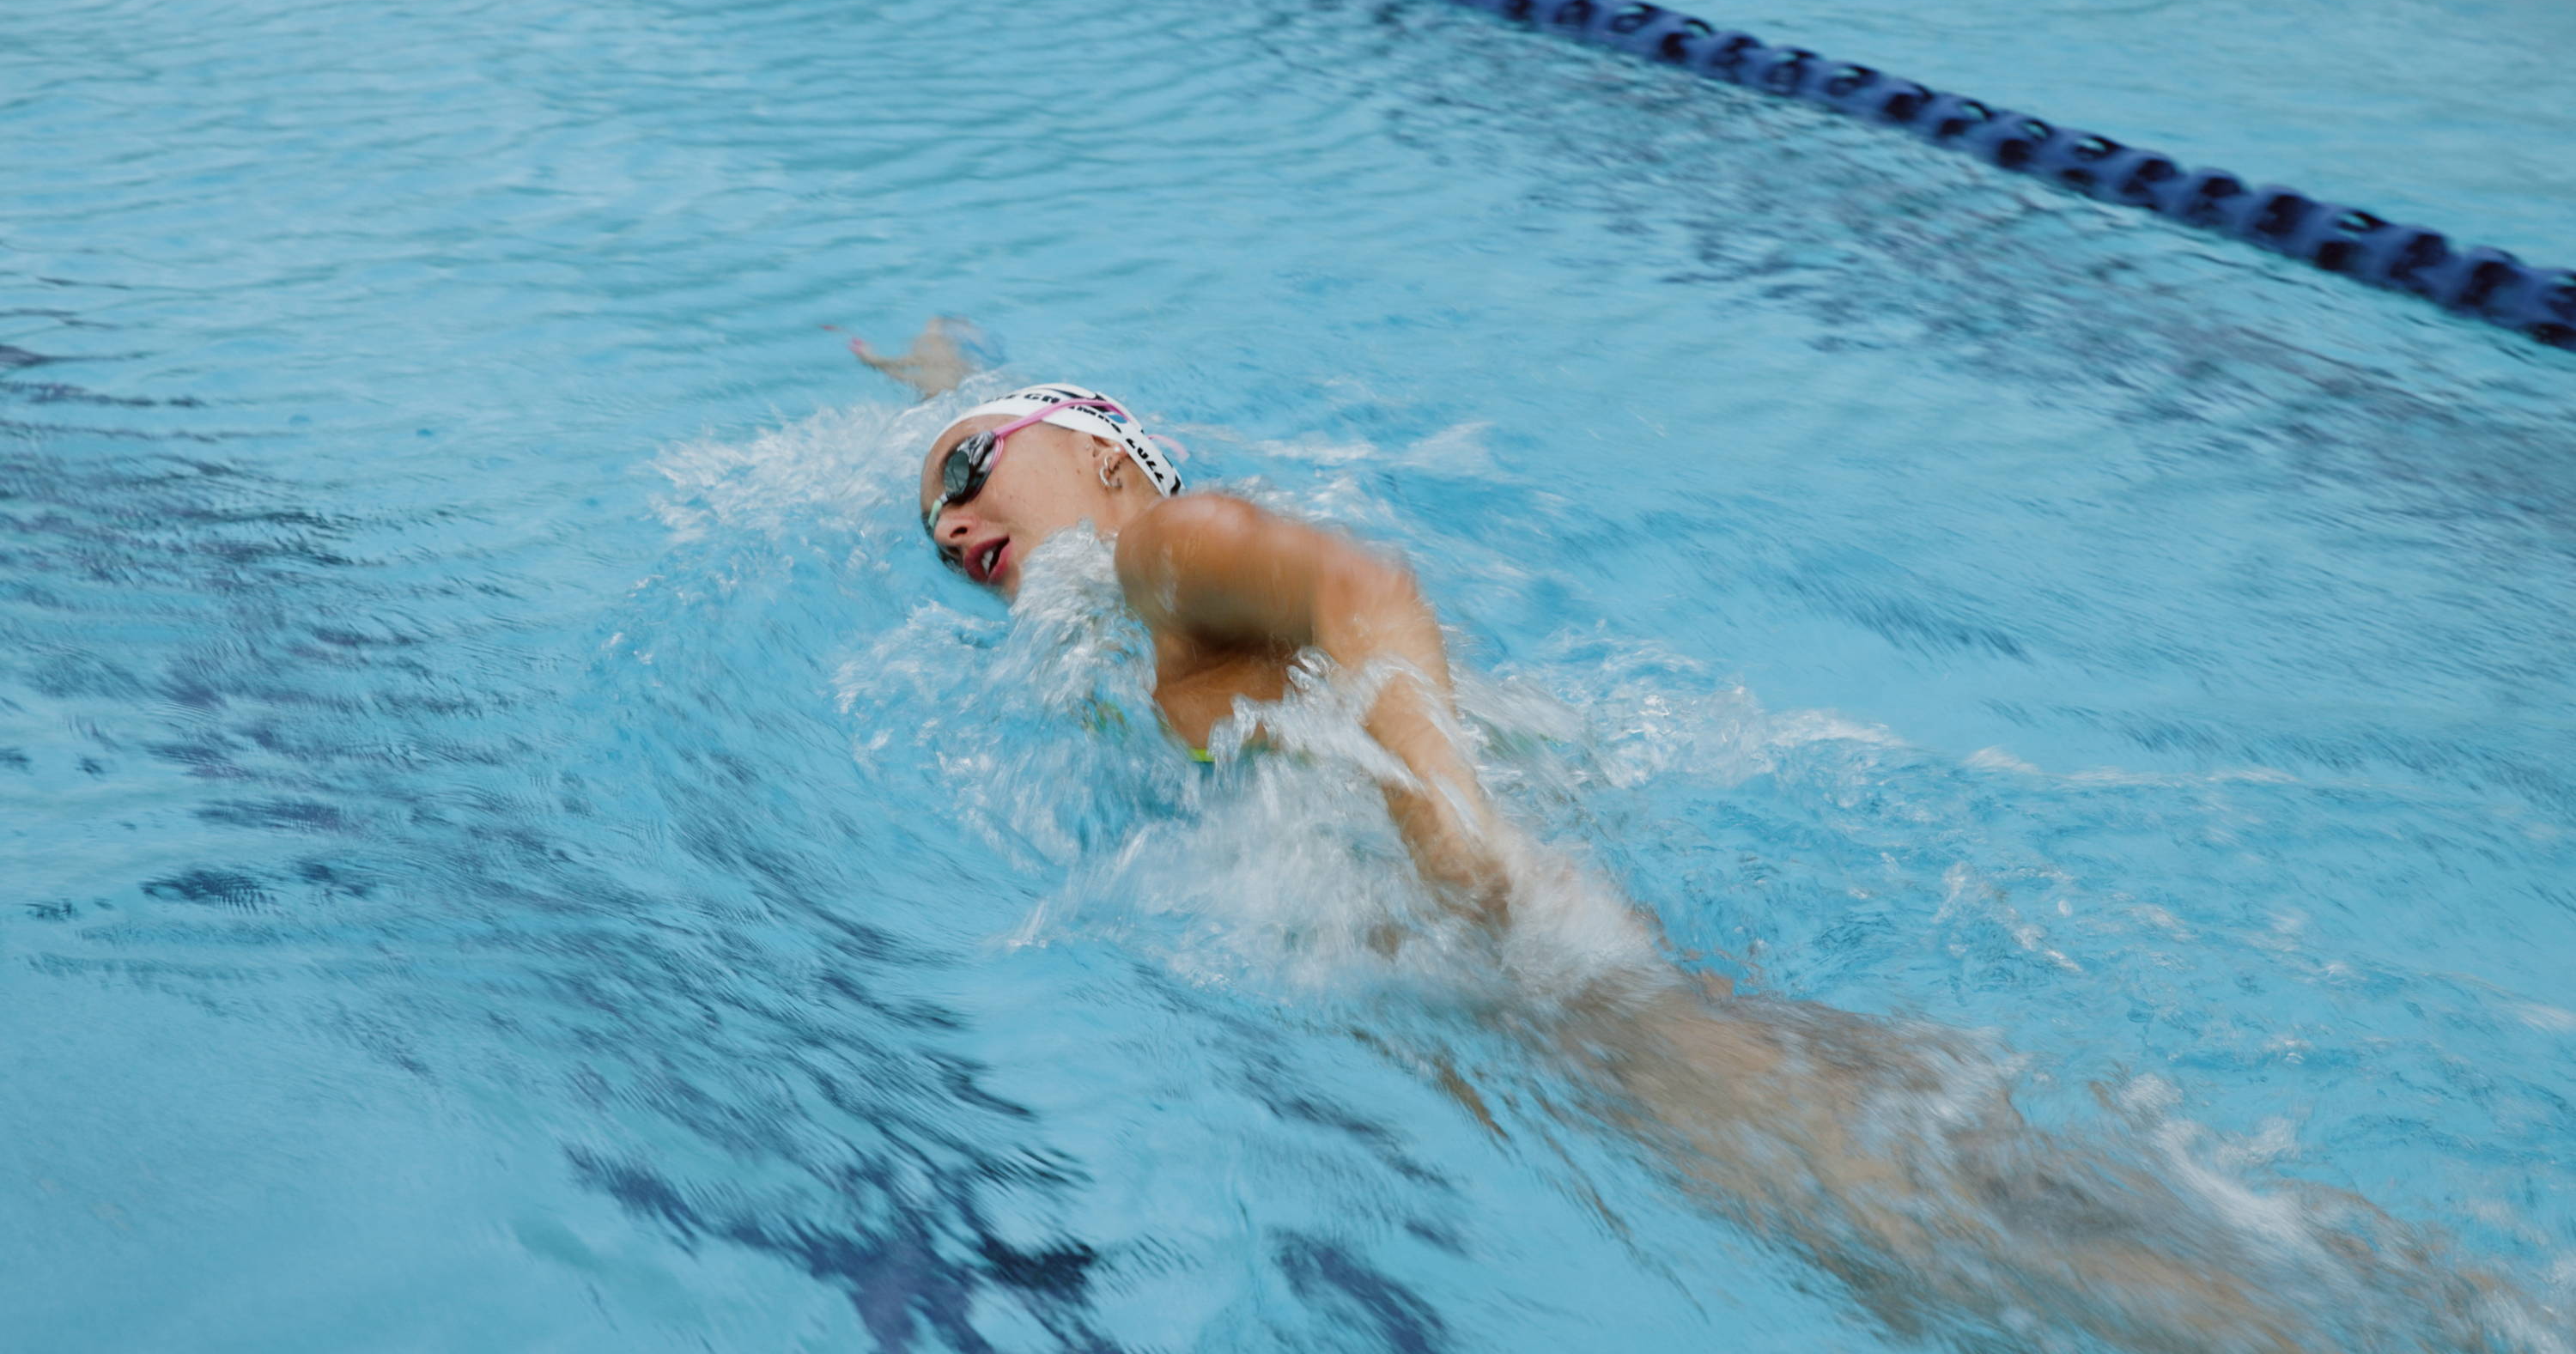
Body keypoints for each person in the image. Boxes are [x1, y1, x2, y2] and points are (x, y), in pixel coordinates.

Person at [855, 319, 2537, 1354]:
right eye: (938, 524)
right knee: (2066, 1197)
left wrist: (1459, 844)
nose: (953, 528)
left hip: (1571, 993)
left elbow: (1364, 586)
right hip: (1622, 980)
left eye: (972, 476)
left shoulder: (1165, 565)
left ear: (1101, 451)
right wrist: (945, 380)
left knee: (1966, 1274)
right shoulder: (1127, 607)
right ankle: (2479, 1303)